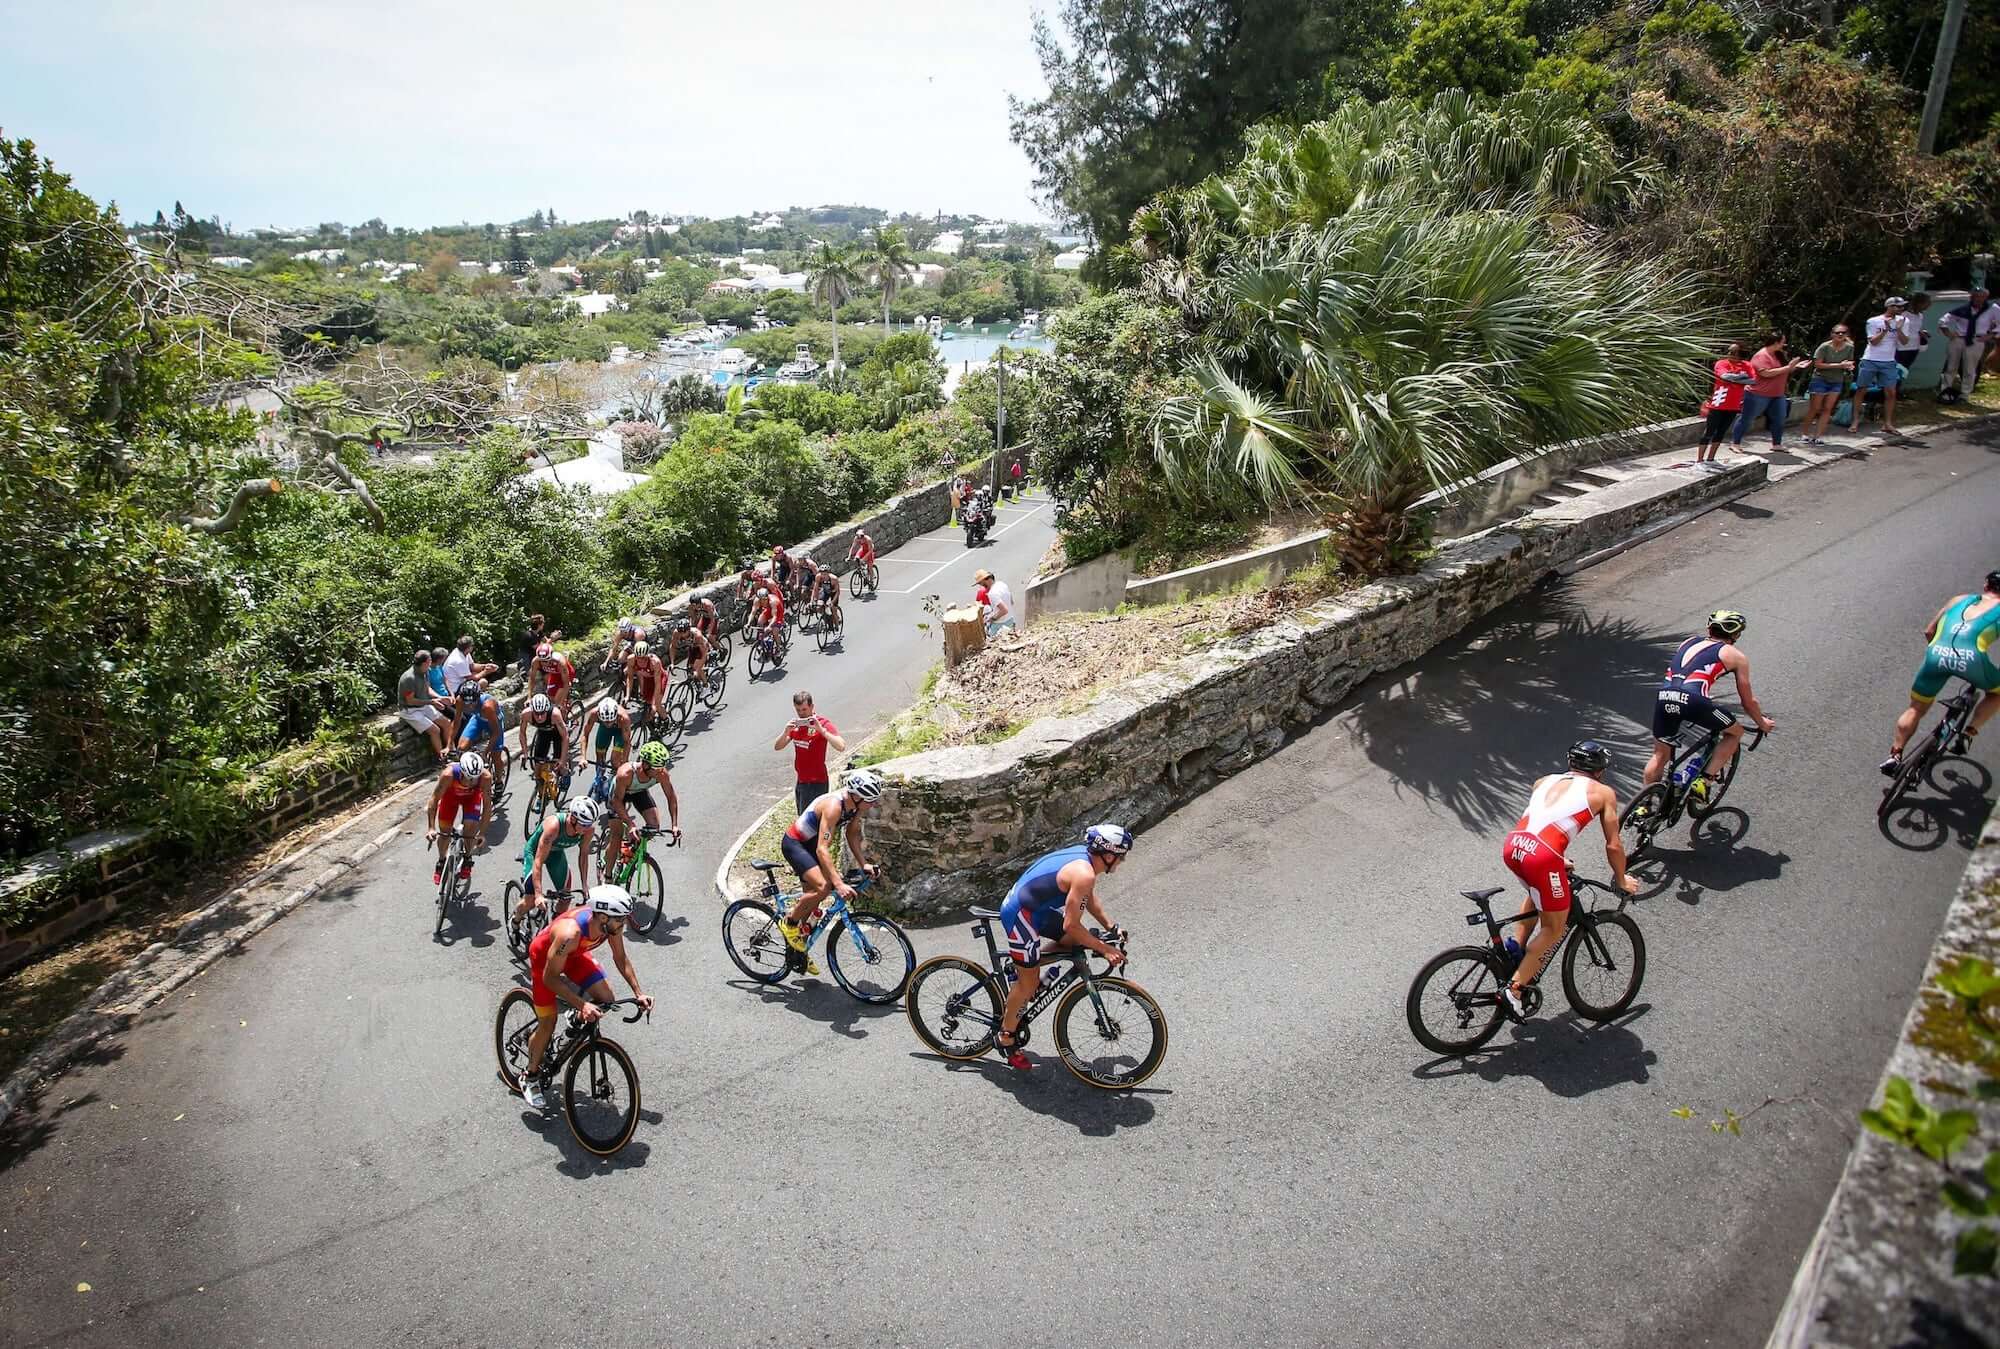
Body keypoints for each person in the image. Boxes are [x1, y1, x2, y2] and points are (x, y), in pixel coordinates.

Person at [1497, 742, 1639, 1019]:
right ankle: (1514, 991)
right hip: (1542, 856)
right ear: (1600, 771)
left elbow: (1543, 818)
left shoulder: (1544, 780)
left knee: (1537, 890)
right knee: (1553, 927)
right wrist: (1621, 878)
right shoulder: (1603, 793)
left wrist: (1557, 858)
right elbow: (1613, 845)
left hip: (1514, 846)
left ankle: (1516, 948)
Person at [994, 824, 1131, 1069]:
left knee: (1072, 943)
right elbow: (1071, 925)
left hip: (1036, 907)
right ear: (1109, 855)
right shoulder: (1085, 873)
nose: (1121, 862)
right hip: (1021, 914)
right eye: (1121, 857)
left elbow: (1088, 898)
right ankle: (1006, 1036)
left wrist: (1111, 927)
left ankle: (1024, 967)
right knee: (1030, 982)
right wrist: (1105, 949)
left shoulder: (1087, 862)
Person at [517, 883, 652, 1110]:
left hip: (574, 956)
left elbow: (621, 957)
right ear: (601, 916)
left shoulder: (611, 925)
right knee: (548, 1022)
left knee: (606, 999)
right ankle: (529, 1077)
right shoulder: (570, 933)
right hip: (545, 961)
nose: (623, 924)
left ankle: (575, 1020)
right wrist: (582, 1004)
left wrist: (639, 993)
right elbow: (551, 979)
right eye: (619, 919)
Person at [1641, 610, 1776, 797]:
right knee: (1735, 733)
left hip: (1664, 697)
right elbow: (1748, 702)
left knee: (1659, 755)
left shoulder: (1688, 642)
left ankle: (1644, 806)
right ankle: (1704, 780)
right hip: (1694, 702)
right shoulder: (1736, 656)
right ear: (1736, 634)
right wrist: (1762, 723)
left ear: (1709, 627)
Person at [1881, 570, 2000, 774]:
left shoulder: (1959, 599)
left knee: (1915, 708)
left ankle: (1895, 754)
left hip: (1936, 654)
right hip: (1973, 661)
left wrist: (1942, 657)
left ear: (1985, 585)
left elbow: (1929, 631)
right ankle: (1968, 733)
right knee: (1997, 692)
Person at [776, 769, 882, 974]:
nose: (874, 804)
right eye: (871, 800)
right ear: (857, 796)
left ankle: (798, 954)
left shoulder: (856, 806)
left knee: (813, 901)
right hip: (796, 845)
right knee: (824, 887)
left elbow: (852, 834)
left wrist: (863, 864)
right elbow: (822, 849)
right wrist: (839, 883)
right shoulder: (834, 806)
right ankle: (788, 923)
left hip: (812, 847)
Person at [511, 797, 600, 931]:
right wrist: (539, 894)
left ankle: (553, 929)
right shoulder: (554, 826)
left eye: (589, 824)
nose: (587, 828)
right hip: (535, 853)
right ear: (573, 819)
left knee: (565, 896)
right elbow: (538, 861)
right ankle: (515, 918)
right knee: (530, 899)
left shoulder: (588, 829)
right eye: (584, 825)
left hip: (555, 853)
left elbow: (583, 855)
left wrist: (584, 885)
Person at [1730, 334, 1810, 456]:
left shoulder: (1778, 354)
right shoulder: (1761, 356)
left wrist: (1795, 367)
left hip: (1777, 394)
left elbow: (1782, 371)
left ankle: (1776, 444)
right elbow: (1766, 374)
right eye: (1782, 342)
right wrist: (1789, 367)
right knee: (1747, 418)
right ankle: (1735, 443)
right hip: (1757, 394)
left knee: (1779, 418)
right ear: (1775, 342)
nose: (1784, 344)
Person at [606, 740, 681, 866]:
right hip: (618, 796)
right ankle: (607, 876)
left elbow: (671, 796)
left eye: (661, 767)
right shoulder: (625, 774)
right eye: (656, 768)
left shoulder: (662, 773)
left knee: (654, 826)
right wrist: (630, 823)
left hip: (638, 792)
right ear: (645, 764)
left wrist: (675, 825)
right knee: (616, 836)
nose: (659, 772)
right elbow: (617, 801)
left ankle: (630, 849)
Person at [424, 751, 492, 887]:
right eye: (468, 778)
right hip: (450, 798)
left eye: (474, 778)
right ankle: (441, 861)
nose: (471, 782)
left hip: (472, 799)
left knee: (471, 827)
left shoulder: (485, 777)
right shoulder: (448, 775)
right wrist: (431, 828)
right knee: (444, 833)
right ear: (461, 772)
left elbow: (487, 806)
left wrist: (482, 833)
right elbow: (434, 799)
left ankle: (467, 858)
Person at [775, 691, 846, 813]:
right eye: (798, 710)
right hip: (801, 781)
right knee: (802, 819)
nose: (802, 714)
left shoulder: (822, 723)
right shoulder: (795, 726)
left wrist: (822, 731)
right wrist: (786, 732)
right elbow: (778, 746)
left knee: (812, 822)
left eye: (804, 709)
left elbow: (841, 746)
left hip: (817, 782)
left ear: (812, 707)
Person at [1858, 297, 1914, 436]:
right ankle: (1855, 421)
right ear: (1889, 307)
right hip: (1870, 358)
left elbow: (1905, 342)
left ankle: (1887, 423)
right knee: (1861, 389)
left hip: (1889, 361)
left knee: (1891, 392)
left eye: (1902, 307)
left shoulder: (1904, 321)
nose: (1901, 309)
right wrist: (1885, 330)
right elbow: (1873, 342)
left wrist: (1899, 329)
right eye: (1898, 307)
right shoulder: (1874, 321)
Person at [1695, 345, 1756, 464]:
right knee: (1709, 431)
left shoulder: (1747, 365)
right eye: (1729, 351)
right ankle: (1700, 459)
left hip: (1733, 404)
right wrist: (1741, 377)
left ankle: (1711, 458)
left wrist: (1735, 378)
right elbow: (1725, 376)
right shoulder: (1722, 363)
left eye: (1733, 352)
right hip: (1719, 403)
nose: (1730, 353)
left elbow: (1752, 380)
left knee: (1721, 432)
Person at [1800, 324, 1857, 446]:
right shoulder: (1824, 347)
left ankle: (1818, 436)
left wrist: (1849, 366)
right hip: (1820, 378)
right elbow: (1818, 364)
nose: (1840, 335)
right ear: (1832, 334)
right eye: (1837, 333)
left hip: (1837, 380)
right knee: (1815, 408)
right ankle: (1805, 433)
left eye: (1843, 332)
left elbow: (1849, 362)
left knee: (1827, 409)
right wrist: (1839, 365)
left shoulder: (1849, 347)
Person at [1940, 288, 2000, 403]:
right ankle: (1945, 391)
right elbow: (1944, 320)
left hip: (1976, 340)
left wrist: (1991, 335)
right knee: (1951, 367)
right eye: (1975, 296)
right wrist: (1948, 332)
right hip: (1959, 339)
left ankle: (1965, 394)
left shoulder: (1992, 309)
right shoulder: (1964, 309)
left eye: (1981, 296)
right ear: (1971, 297)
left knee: (1969, 368)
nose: (1978, 299)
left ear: (1985, 297)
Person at [397, 650, 455, 760]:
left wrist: (439, 698)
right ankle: (442, 758)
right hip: (410, 710)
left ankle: (451, 750)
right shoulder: (409, 678)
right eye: (429, 662)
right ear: (424, 663)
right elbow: (410, 701)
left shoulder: (425, 672)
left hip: (423, 705)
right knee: (435, 730)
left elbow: (427, 689)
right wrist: (431, 702)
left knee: (446, 723)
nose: (431, 664)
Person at [516, 693, 570, 795]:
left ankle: (565, 773)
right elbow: (522, 734)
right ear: (532, 710)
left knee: (558, 764)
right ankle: (541, 796)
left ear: (547, 709)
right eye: (536, 714)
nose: (540, 717)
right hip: (543, 733)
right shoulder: (526, 714)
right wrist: (525, 753)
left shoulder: (555, 714)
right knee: (538, 769)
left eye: (543, 713)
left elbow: (565, 737)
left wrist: (562, 760)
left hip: (557, 735)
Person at [582, 694, 634, 779]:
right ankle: (599, 780)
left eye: (610, 721)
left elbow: (627, 743)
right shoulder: (594, 714)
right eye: (605, 721)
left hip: (619, 731)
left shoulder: (624, 718)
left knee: (615, 760)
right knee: (600, 758)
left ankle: (617, 783)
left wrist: (624, 762)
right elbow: (585, 735)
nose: (608, 724)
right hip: (604, 730)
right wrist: (583, 757)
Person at [623, 639, 667, 732]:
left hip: (659, 679)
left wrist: (655, 703)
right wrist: (627, 696)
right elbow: (630, 678)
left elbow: (657, 684)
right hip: (646, 678)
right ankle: (652, 726)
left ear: (647, 655)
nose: (641, 660)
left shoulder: (655, 662)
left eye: (643, 658)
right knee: (647, 703)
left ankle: (665, 720)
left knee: (656, 705)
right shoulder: (631, 659)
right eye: (638, 657)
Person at [457, 691, 508, 764]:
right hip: (478, 719)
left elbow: (496, 732)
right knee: (461, 748)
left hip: (494, 723)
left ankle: (498, 774)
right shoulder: (460, 701)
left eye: (472, 703)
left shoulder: (487, 707)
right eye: (467, 703)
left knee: (495, 757)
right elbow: (456, 723)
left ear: (478, 699)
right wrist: (448, 746)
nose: (470, 706)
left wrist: (485, 752)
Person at [666, 616, 710, 685]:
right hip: (692, 647)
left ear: (689, 630)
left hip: (701, 647)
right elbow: (673, 647)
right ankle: (698, 682)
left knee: (697, 669)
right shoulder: (676, 633)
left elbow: (704, 654)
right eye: (680, 632)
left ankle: (706, 685)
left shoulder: (697, 635)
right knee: (690, 668)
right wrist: (672, 663)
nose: (681, 634)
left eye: (684, 632)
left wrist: (698, 669)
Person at [975, 568, 1015, 636]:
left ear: (986, 580)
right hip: (1010, 619)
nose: (981, 586)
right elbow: (1011, 601)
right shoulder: (1002, 584)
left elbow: (1004, 610)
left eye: (981, 583)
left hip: (1000, 624)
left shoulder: (992, 593)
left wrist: (992, 619)